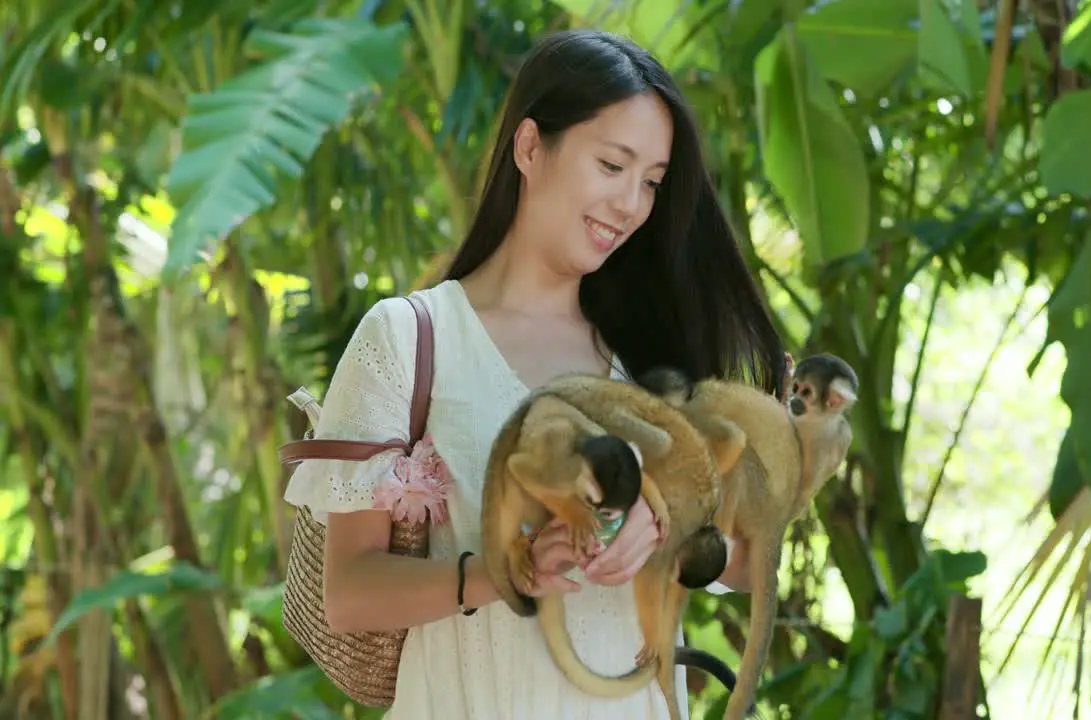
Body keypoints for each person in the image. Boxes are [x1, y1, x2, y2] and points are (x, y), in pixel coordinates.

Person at [283, 27, 786, 719]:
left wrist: (667, 525)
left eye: (651, 183)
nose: (631, 205)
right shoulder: (411, 337)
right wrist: (508, 570)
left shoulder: (649, 359)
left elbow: (752, 563)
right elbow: (350, 593)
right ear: (529, 148)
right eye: (612, 166)